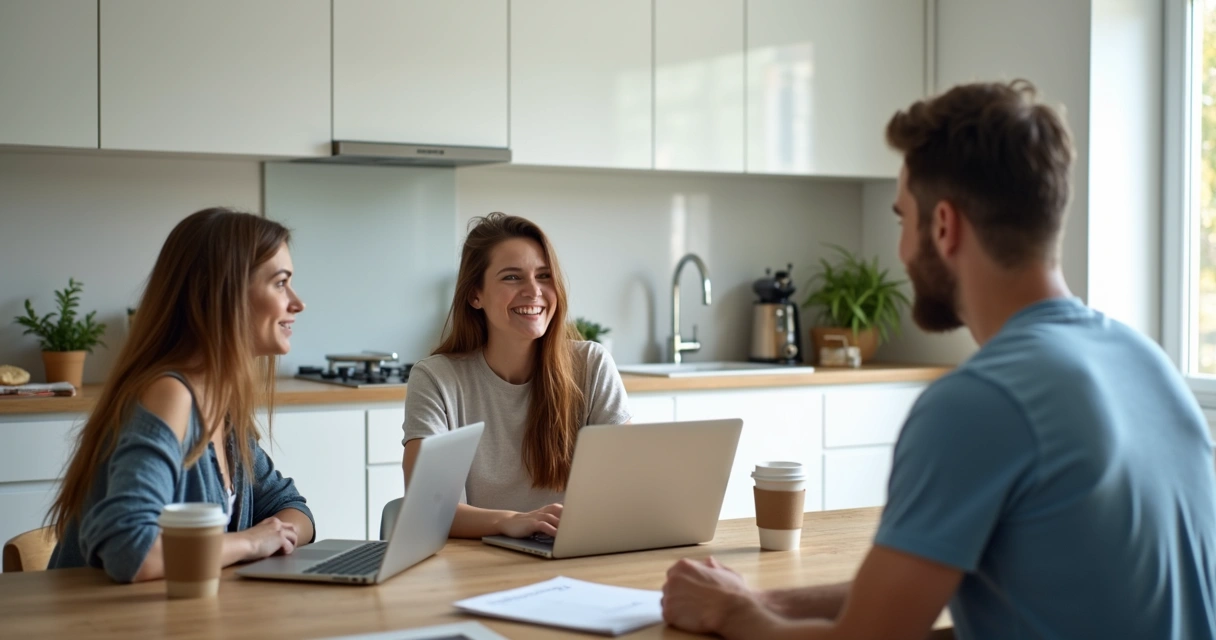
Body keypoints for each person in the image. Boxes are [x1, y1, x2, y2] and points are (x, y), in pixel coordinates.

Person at [660, 80, 1216, 639]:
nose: (901, 250)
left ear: (944, 226)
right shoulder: (1147, 365)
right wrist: (762, 599)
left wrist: (732, 614)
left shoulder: (981, 401)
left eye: (902, 220)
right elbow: (909, 589)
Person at [47, 207, 315, 583]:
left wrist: (271, 536)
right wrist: (251, 542)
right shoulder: (168, 394)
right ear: (224, 293)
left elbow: (290, 507)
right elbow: (132, 551)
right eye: (280, 283)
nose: (296, 303)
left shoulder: (221, 407)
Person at [402, 212, 631, 539]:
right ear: (475, 295)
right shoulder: (437, 379)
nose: (534, 291)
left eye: (544, 275)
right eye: (512, 277)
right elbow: (428, 508)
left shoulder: (591, 364)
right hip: (479, 567)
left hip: (575, 557)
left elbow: (629, 489)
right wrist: (509, 521)